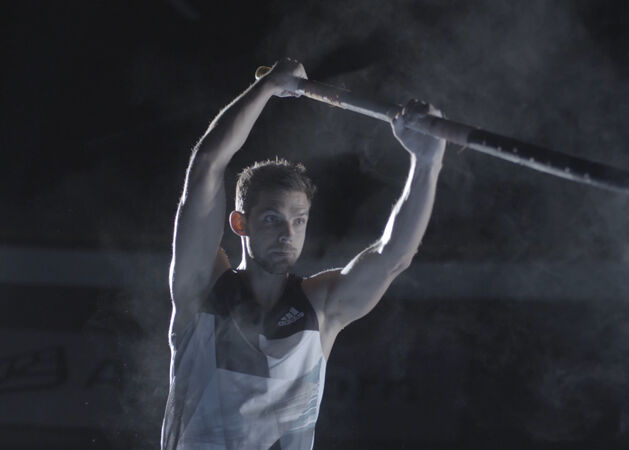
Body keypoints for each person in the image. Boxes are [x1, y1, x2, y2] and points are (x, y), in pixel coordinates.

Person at [161, 58, 446, 450]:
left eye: (298, 221)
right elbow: (208, 165)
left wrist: (426, 162)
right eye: (272, 219)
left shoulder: (320, 307)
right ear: (240, 223)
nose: (287, 234)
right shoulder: (201, 289)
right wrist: (266, 88)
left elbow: (393, 256)